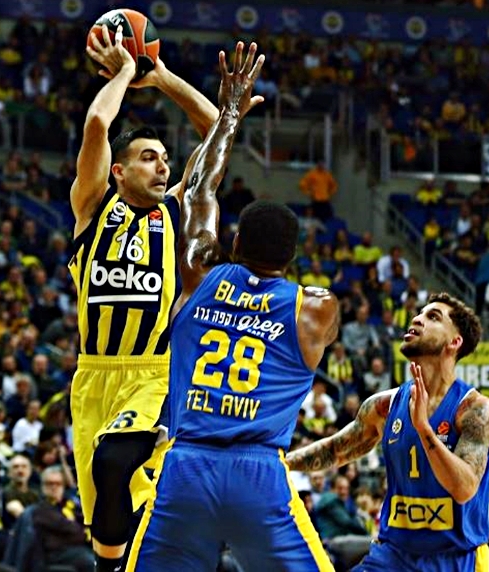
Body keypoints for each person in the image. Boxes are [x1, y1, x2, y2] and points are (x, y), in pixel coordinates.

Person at [128, 45, 340, 571]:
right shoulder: (315, 308)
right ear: (291, 258)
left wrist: (229, 114)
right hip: (259, 474)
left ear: (236, 241)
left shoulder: (200, 273)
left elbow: (199, 190)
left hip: (186, 466)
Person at [70, 23, 219, 572]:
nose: (163, 166)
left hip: (153, 374)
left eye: (165, 159)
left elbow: (217, 129)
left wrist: (161, 78)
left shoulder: (174, 212)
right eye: (149, 158)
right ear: (118, 170)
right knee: (106, 506)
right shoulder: (92, 207)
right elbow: (97, 123)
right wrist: (125, 72)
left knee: (116, 462)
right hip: (93, 376)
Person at [286, 294, 489, 571]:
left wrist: (424, 429)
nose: (417, 318)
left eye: (433, 317)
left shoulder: (474, 409)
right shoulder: (384, 406)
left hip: (454, 558)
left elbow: (464, 488)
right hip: (393, 554)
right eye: (419, 313)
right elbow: (336, 450)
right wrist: (282, 463)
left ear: (454, 342)